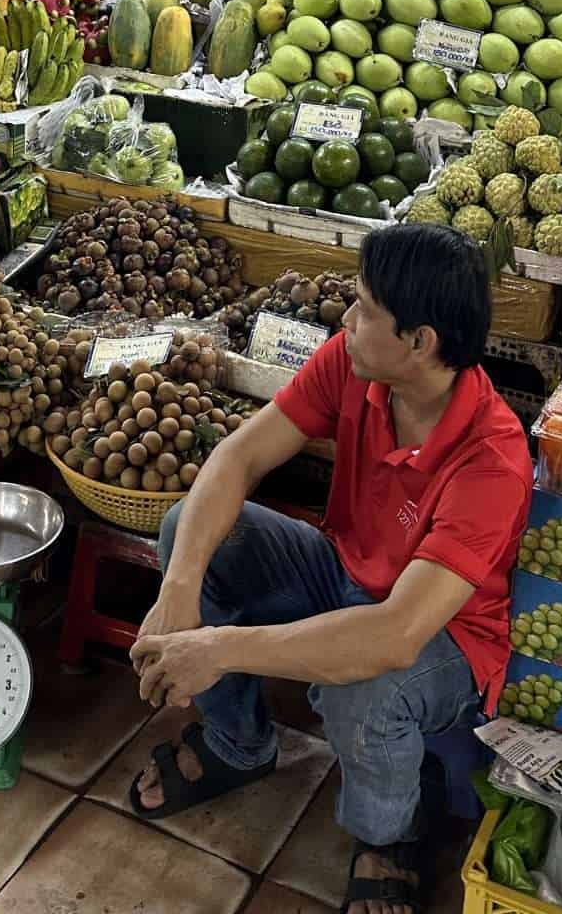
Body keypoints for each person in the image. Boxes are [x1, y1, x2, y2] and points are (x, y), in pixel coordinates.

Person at [126, 224, 532, 914]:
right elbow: (237, 459)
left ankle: (388, 834)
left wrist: (217, 649)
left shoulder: (491, 459)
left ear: (420, 342)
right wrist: (180, 587)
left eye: (366, 307)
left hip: (444, 634)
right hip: (340, 570)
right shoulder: (354, 360)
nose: (347, 318)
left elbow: (395, 634)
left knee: (363, 690)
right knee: (189, 536)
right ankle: (239, 744)